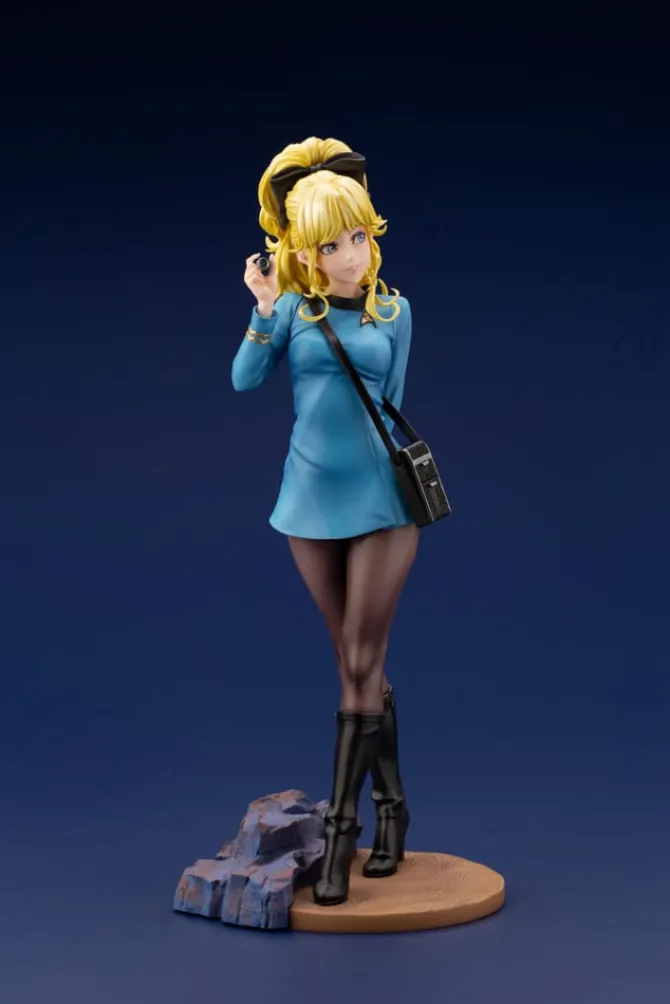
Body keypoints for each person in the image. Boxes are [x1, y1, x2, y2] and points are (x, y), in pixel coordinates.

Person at [231, 136, 418, 906]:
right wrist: (262, 310)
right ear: (307, 252)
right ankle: (393, 807)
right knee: (353, 661)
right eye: (334, 244)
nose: (352, 255)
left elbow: (391, 403)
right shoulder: (295, 314)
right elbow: (244, 380)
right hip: (307, 503)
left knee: (360, 658)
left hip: (381, 504)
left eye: (361, 236)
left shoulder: (395, 312)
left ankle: (343, 833)